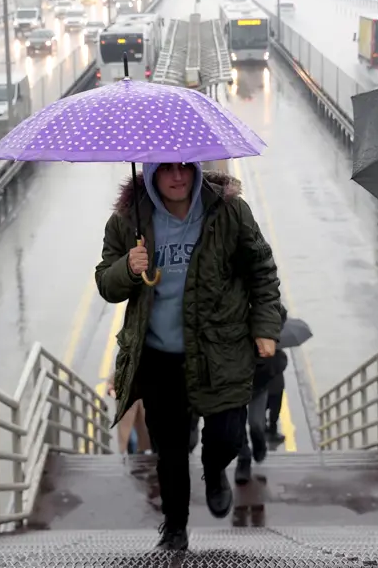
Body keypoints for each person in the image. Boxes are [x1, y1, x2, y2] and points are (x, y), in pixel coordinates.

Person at [95, 162, 282, 552]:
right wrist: (128, 267)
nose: (178, 176)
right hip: (160, 355)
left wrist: (265, 326)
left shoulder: (229, 211)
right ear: (149, 173)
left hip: (220, 349)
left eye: (185, 167)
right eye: (166, 169)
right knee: (171, 451)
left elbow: (261, 269)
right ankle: (175, 527)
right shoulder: (128, 219)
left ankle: (215, 471)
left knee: (228, 436)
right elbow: (106, 284)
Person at [235, 304, 288, 484]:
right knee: (237, 426)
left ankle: (259, 444)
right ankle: (244, 459)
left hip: (258, 385)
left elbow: (280, 313)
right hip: (234, 384)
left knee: (256, 425)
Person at [107, 378, 152, 455]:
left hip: (140, 412)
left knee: (141, 439)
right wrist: (114, 393)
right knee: (132, 439)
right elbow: (111, 383)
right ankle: (134, 458)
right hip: (127, 410)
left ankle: (138, 457)